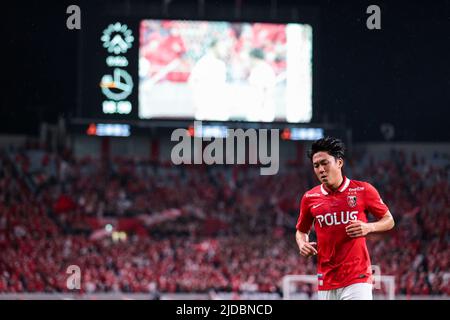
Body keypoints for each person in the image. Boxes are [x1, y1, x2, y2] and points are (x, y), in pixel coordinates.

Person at [295, 137, 395, 300]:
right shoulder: (309, 197)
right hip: (326, 279)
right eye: (316, 165)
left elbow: (389, 220)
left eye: (325, 163)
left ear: (339, 162)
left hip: (358, 278)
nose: (320, 169)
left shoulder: (363, 190)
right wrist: (302, 243)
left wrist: (368, 227)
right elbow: (301, 231)